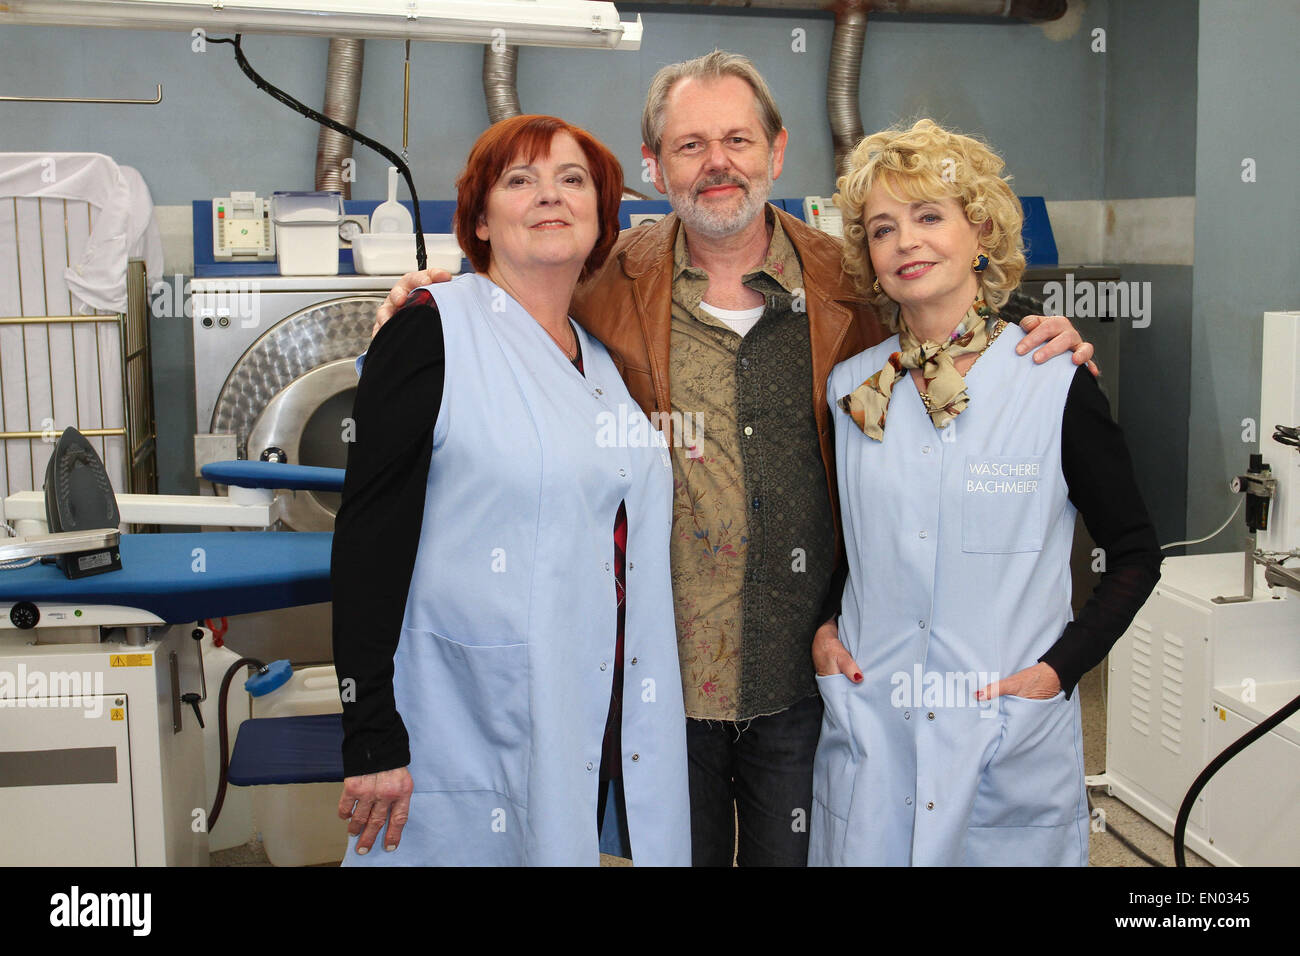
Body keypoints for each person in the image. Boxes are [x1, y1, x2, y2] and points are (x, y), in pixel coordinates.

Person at [372, 52, 1093, 867]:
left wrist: (1038, 321)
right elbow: (511, 300)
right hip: (661, 679)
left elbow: (942, 291)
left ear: (777, 152)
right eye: (689, 146)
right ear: (653, 167)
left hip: (808, 670)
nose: (718, 163)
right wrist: (428, 302)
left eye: (738, 140)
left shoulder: (846, 285)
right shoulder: (606, 280)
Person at [331, 114, 690, 866]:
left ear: (601, 218)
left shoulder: (598, 360)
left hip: (580, 706)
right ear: (482, 221)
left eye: (572, 180)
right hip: (460, 709)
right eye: (519, 181)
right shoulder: (431, 331)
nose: (548, 196)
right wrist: (370, 730)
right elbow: (367, 541)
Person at [812, 119, 1161, 866]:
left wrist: (1056, 674)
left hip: (1004, 728)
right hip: (876, 722)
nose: (905, 242)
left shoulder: (1053, 381)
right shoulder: (855, 390)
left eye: (929, 216)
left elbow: (1135, 553)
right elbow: (855, 544)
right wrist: (824, 629)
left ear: (980, 232)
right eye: (882, 229)